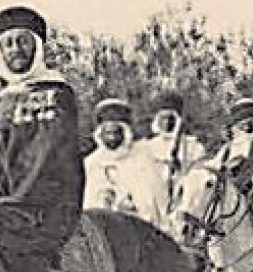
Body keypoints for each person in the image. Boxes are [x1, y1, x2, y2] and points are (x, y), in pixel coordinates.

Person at [0, 5, 84, 272]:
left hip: (38, 202)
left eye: (23, 41)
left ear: (37, 47)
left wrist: (12, 198)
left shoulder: (53, 93)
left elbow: (48, 153)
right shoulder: (1, 100)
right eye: (7, 44)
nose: (15, 50)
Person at [133, 91, 206, 232]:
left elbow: (199, 181)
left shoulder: (193, 147)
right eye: (163, 118)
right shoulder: (144, 148)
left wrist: (181, 170)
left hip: (182, 210)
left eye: (171, 118)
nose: (167, 123)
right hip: (152, 214)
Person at [82, 97, 153, 217]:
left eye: (116, 132)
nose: (112, 137)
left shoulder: (141, 157)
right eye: (108, 133)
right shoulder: (91, 163)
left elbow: (149, 200)